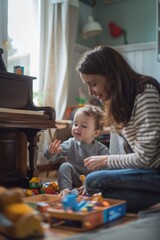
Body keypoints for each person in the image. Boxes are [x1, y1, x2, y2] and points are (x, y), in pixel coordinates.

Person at [76, 46, 160, 213]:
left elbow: (146, 159)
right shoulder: (123, 99)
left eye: (93, 84)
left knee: (94, 182)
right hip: (149, 171)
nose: (91, 92)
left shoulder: (144, 92)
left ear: (111, 76)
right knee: (96, 185)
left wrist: (105, 160)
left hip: (154, 169)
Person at [44, 104, 109, 196]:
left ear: (95, 133)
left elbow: (107, 171)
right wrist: (51, 152)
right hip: (74, 177)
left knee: (101, 175)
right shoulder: (70, 143)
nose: (77, 128)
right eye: (75, 124)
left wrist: (92, 183)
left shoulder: (101, 149)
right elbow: (50, 158)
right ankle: (65, 189)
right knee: (65, 166)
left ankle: (89, 188)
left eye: (84, 126)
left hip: (92, 180)